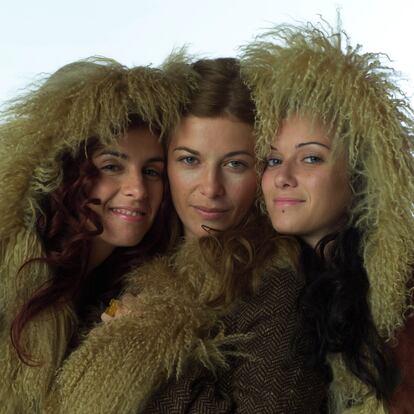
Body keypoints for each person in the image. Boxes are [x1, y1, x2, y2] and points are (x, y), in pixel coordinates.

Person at [46, 58, 326, 414]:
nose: (210, 188)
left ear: (261, 170)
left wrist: (148, 358)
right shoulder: (136, 255)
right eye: (190, 161)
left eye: (235, 164)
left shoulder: (277, 283)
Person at [0, 56, 191, 413]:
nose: (137, 188)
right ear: (65, 171)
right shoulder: (12, 278)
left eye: (152, 171)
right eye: (112, 166)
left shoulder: (141, 286)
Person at [241, 20, 414, 413]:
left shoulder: (402, 288)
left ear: (359, 173)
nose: (282, 177)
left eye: (311, 158)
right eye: (272, 159)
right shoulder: (254, 279)